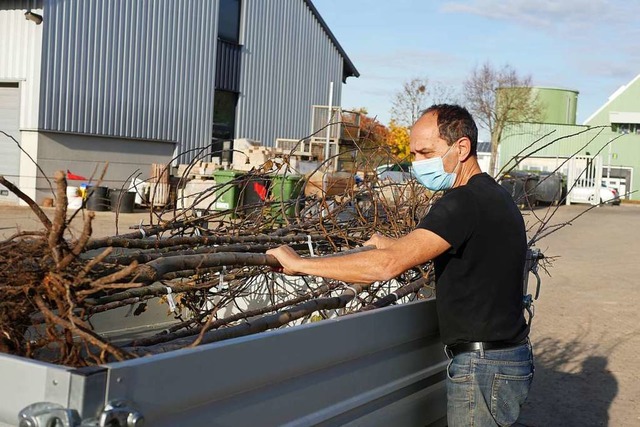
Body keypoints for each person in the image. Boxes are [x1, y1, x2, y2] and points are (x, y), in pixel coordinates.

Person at [267, 104, 534, 426]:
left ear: (461, 147)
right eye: (414, 154)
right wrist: (394, 244)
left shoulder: (463, 202)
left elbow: (386, 267)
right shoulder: (492, 195)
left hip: (484, 365)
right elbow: (461, 249)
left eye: (425, 153)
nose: (417, 164)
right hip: (503, 358)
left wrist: (299, 264)